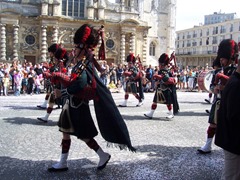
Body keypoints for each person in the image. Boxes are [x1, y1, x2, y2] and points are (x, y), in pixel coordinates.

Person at [47, 24, 135, 172]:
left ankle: (102, 155)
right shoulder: (80, 63)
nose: (73, 50)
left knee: (84, 135)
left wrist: (63, 92)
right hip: (72, 105)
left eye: (76, 47)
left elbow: (80, 83)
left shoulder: (82, 65)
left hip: (78, 105)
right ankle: (64, 161)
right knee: (66, 132)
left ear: (83, 48)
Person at [198, 39, 237, 154]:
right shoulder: (217, 71)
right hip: (218, 101)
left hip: (230, 102)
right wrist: (214, 89)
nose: (221, 59)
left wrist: (224, 88)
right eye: (220, 57)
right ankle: (208, 145)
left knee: (230, 125)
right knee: (212, 124)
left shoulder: (235, 71)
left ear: (230, 58)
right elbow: (210, 86)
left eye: (223, 57)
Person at [215, 57, 240, 180]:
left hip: (233, 140)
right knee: (231, 176)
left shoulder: (234, 79)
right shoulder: (236, 84)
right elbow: (235, 116)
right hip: (233, 141)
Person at [37, 45, 69, 122]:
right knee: (52, 101)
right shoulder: (58, 64)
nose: (53, 58)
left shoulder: (61, 65)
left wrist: (50, 74)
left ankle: (65, 119)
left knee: (64, 105)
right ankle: (46, 117)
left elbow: (60, 75)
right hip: (56, 85)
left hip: (60, 87)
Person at [144, 53, 179, 119]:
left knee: (168, 103)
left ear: (162, 64)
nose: (158, 65)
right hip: (160, 88)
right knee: (155, 102)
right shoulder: (162, 70)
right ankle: (151, 113)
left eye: (159, 64)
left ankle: (171, 113)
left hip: (165, 88)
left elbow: (165, 78)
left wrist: (157, 76)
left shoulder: (164, 71)